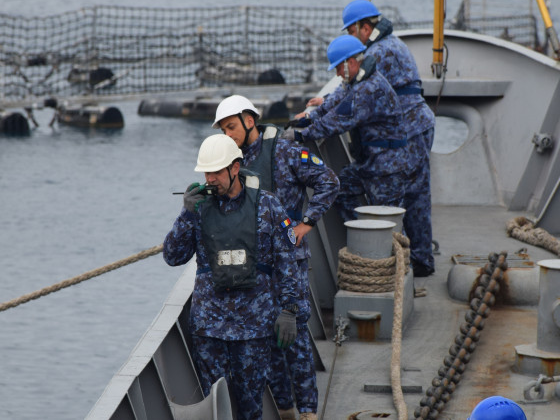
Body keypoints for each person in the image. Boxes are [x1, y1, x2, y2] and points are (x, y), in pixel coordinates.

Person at [212, 95, 340, 420]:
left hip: (289, 261)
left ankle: (308, 411)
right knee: (267, 341)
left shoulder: (285, 151)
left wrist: (306, 223)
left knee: (295, 337)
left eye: (231, 127)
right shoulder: (230, 163)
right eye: (223, 130)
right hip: (253, 266)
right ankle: (285, 409)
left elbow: (328, 181)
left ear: (249, 121)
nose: (228, 134)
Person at [163, 134, 299, 420]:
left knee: (251, 406)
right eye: (206, 173)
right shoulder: (198, 209)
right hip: (209, 329)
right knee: (217, 407)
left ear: (235, 168)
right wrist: (186, 214)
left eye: (216, 172)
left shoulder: (268, 206)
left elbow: (287, 262)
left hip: (254, 327)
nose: (210, 179)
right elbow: (173, 256)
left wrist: (289, 310)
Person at [299, 0, 437, 277]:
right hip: (410, 127)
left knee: (411, 195)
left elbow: (355, 96)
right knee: (413, 193)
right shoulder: (383, 48)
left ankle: (411, 260)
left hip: (410, 128)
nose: (353, 37)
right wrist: (325, 105)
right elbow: (350, 88)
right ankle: (419, 257)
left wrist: (310, 123)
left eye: (352, 31)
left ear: (365, 28)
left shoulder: (381, 52)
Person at [284, 35, 416, 228]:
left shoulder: (369, 88)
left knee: (389, 226)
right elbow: (335, 100)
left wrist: (300, 135)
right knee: (340, 190)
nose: (338, 74)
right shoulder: (355, 81)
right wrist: (310, 117)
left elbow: (337, 120)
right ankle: (363, 235)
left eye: (338, 68)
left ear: (351, 63)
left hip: (387, 168)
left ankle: (381, 242)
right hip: (370, 162)